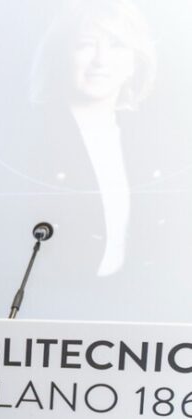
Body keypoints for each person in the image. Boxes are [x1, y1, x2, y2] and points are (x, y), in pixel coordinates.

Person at [29, 0, 157, 276]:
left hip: (134, 292)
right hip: (61, 294)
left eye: (117, 45)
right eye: (86, 45)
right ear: (62, 56)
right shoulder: (30, 137)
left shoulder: (150, 140)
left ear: (135, 62)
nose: (101, 60)